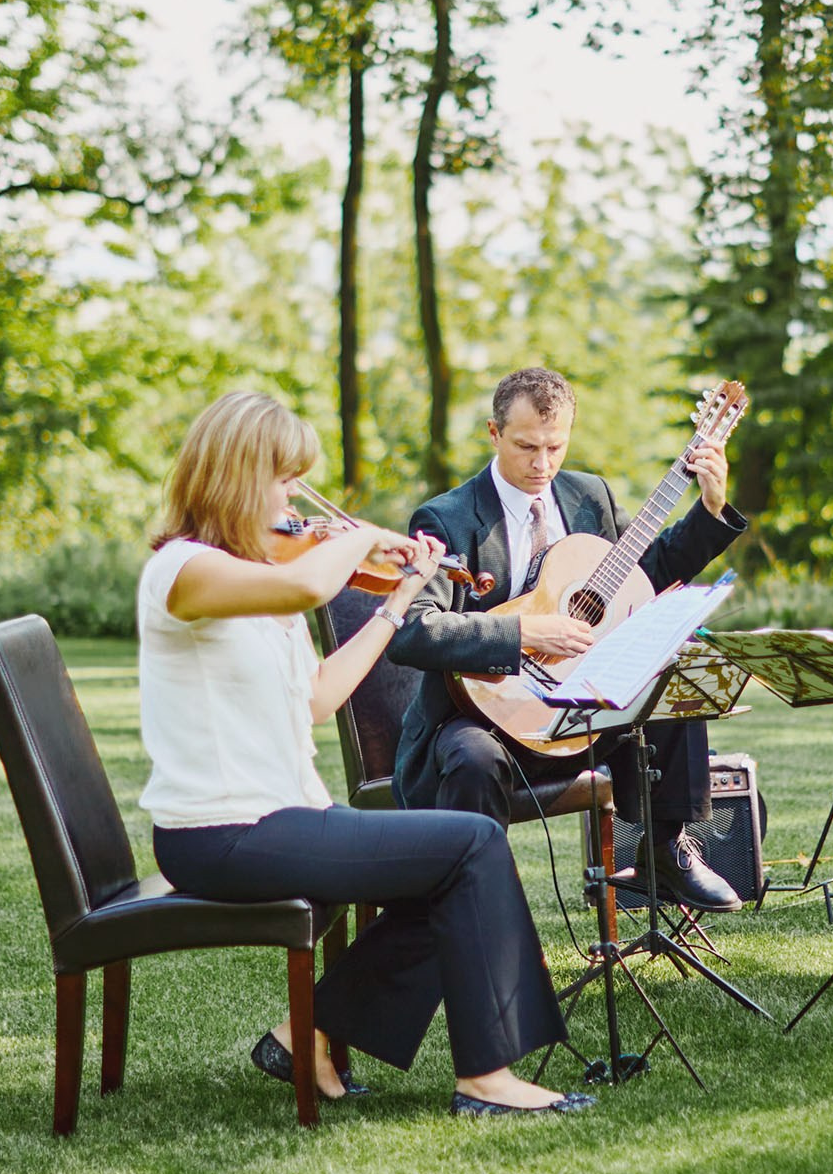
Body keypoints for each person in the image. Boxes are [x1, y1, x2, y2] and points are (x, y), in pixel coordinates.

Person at [137, 391, 592, 1116]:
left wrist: (398, 598)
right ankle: (487, 1078)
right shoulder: (184, 570)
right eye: (284, 479)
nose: (292, 498)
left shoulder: (255, 580)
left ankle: (306, 1034)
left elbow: (316, 698)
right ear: (236, 475)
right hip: (220, 832)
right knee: (473, 842)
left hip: (280, 818)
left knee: (453, 864)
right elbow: (311, 581)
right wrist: (364, 536)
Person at [387, 366, 749, 910]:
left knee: (673, 676)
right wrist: (525, 630)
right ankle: (475, 900)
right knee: (472, 758)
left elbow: (645, 572)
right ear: (493, 433)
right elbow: (413, 629)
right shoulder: (448, 518)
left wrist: (711, 509)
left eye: (555, 447)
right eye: (526, 446)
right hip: (488, 720)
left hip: (581, 712)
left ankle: (665, 849)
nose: (542, 464)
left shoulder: (589, 497)